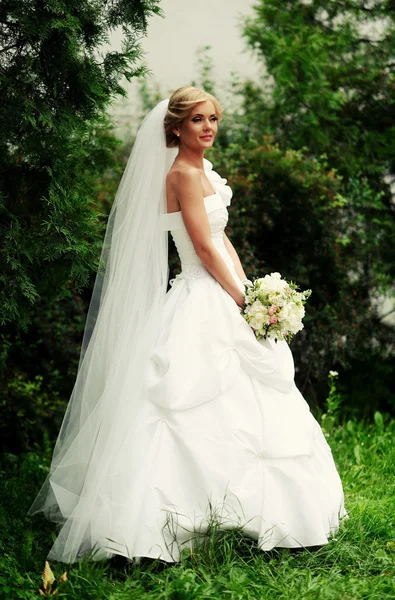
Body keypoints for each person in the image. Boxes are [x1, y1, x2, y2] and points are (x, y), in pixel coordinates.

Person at [29, 86, 347, 564]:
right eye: (198, 119)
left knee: (254, 399)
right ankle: (169, 523)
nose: (209, 128)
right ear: (175, 126)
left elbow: (222, 238)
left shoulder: (204, 172)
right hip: (201, 294)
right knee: (180, 403)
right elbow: (201, 248)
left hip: (224, 288)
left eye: (214, 118)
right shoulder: (179, 173)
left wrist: (255, 289)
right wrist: (242, 300)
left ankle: (263, 512)